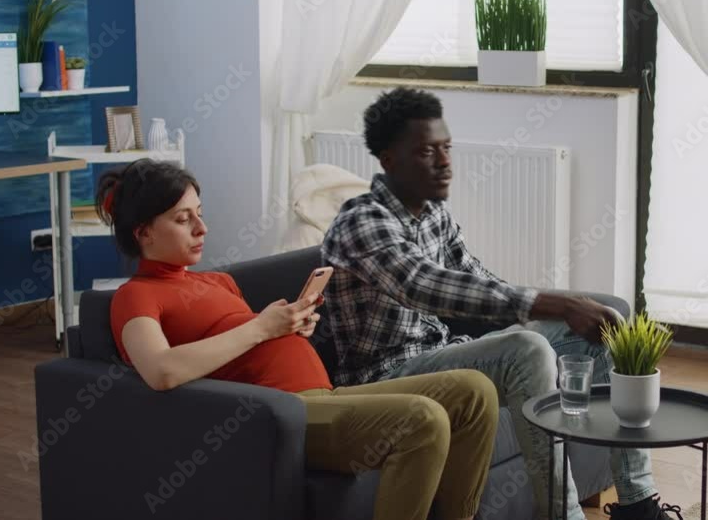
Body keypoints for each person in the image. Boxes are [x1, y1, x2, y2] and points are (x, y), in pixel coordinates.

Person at [322, 87, 681, 520]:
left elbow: (479, 282)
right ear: (389, 160)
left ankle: (639, 504)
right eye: (426, 152)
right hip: (384, 378)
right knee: (525, 350)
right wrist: (558, 305)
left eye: (446, 147)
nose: (444, 161)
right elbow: (424, 286)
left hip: (442, 354)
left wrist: (570, 308)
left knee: (602, 327)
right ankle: (562, 515)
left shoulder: (432, 214)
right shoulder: (361, 222)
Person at [97, 159, 500, 520]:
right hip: (280, 415)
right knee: (422, 419)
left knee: (473, 391)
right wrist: (261, 327)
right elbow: (161, 371)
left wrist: (287, 326)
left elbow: (244, 348)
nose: (202, 228)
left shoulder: (218, 282)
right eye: (183, 219)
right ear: (144, 232)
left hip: (326, 396)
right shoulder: (135, 295)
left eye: (199, 214)